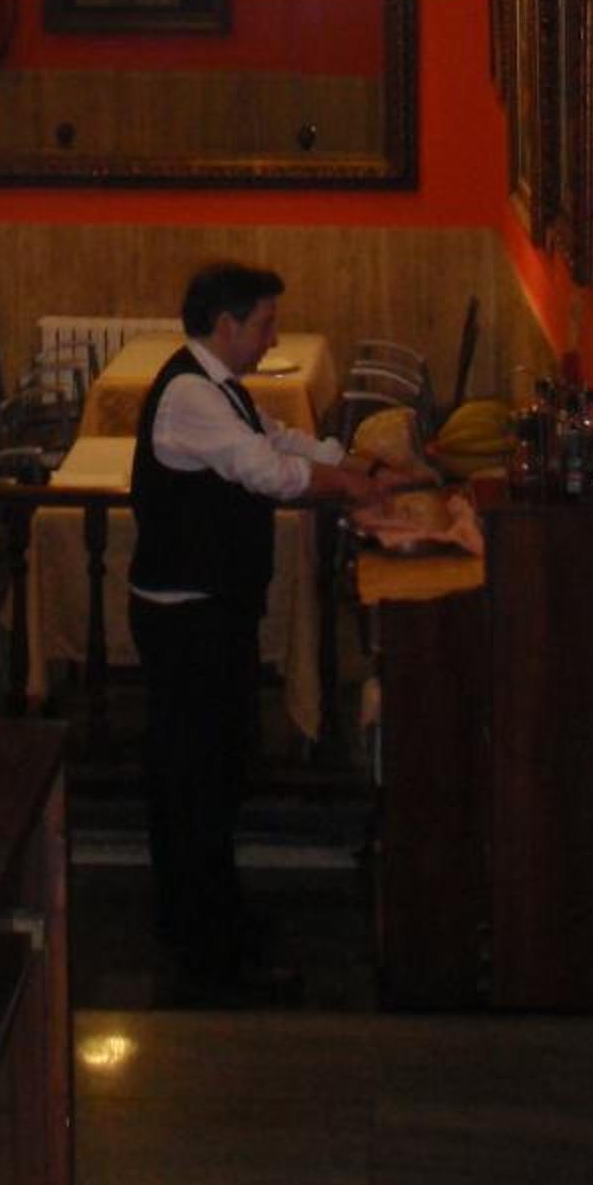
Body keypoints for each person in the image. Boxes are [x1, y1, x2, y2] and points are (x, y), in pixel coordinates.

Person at [127, 262, 415, 992]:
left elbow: (279, 437)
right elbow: (264, 469)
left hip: (211, 609)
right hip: (184, 614)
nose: (272, 338)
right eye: (264, 324)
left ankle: (215, 917)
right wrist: (349, 484)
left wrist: (352, 462)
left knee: (217, 769)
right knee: (193, 779)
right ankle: (201, 941)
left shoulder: (218, 386)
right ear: (226, 325)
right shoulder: (189, 395)